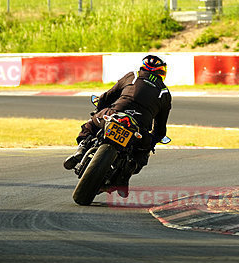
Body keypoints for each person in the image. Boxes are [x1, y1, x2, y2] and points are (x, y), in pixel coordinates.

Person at [64, 55, 171, 189]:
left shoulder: (132, 76)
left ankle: (80, 151)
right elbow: (160, 128)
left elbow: (106, 97)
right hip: (138, 129)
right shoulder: (164, 93)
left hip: (113, 115)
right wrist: (153, 141)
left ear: (143, 67)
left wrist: (99, 109)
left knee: (90, 125)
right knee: (142, 154)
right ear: (162, 72)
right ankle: (124, 179)